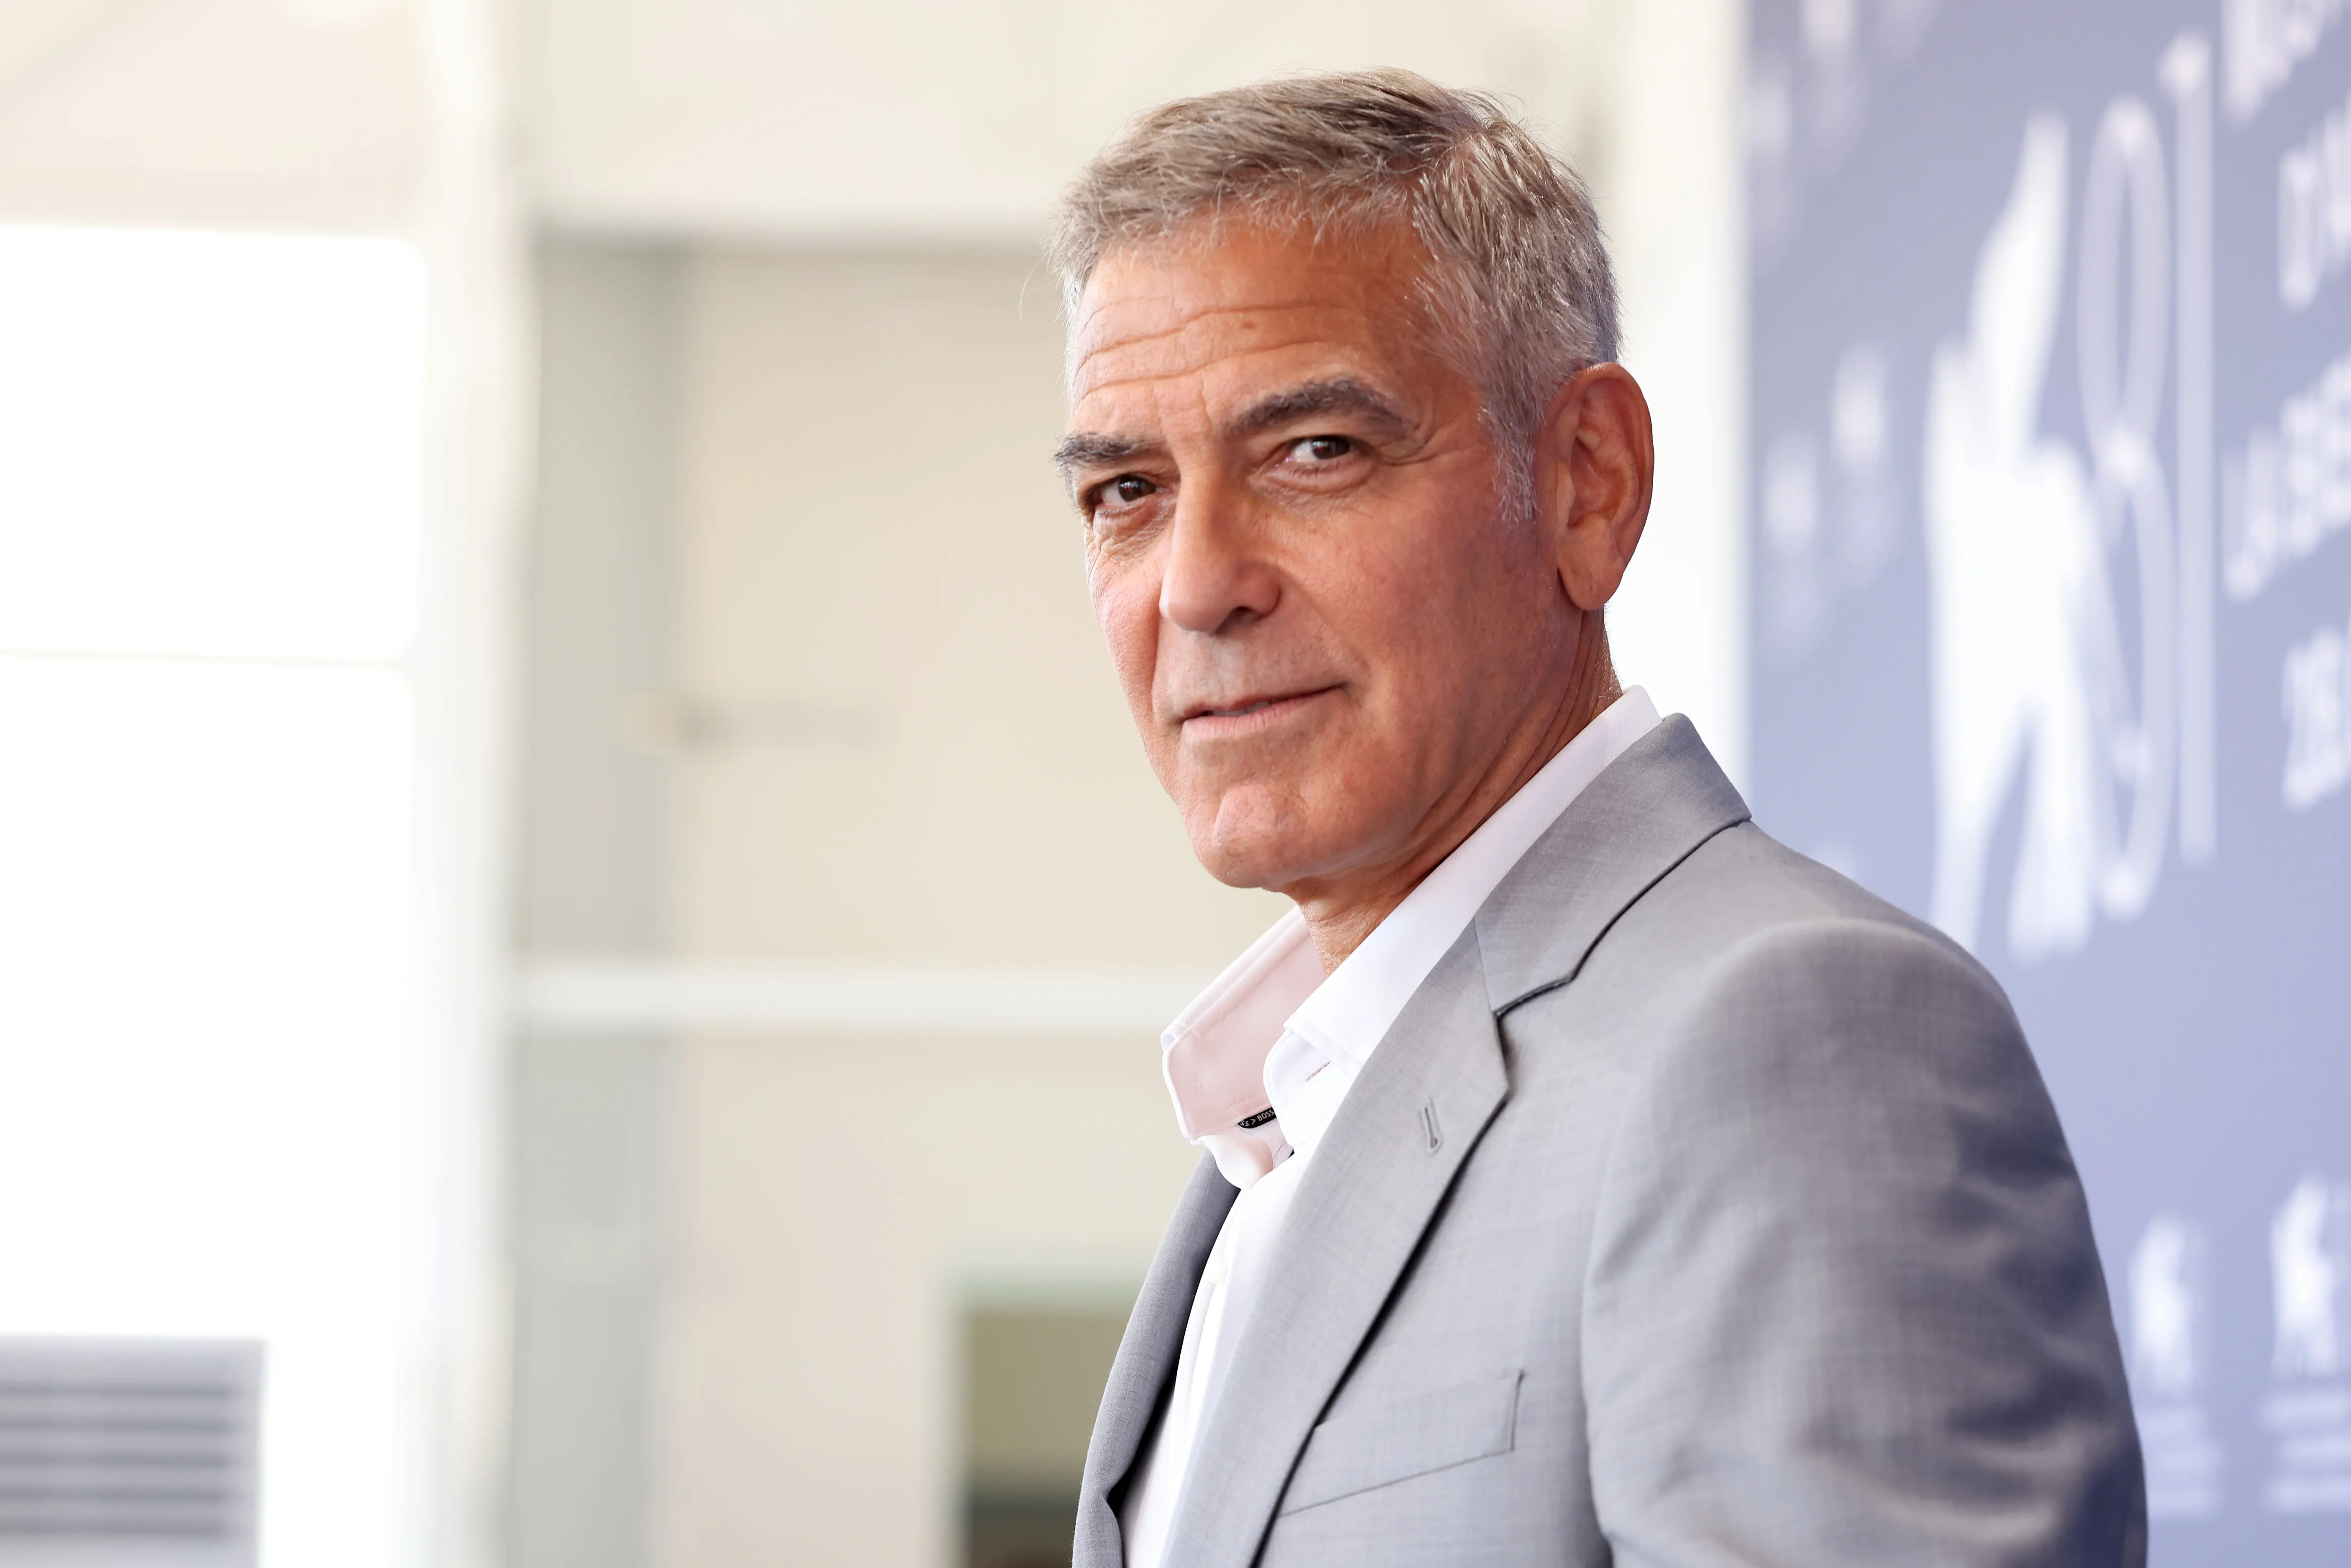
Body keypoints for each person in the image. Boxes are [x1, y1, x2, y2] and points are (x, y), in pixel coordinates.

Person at [1049, 70, 2145, 1568]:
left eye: (1316, 453)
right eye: (1126, 490)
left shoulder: (1792, 1037)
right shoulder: (1294, 1112)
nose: (1196, 583)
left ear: (1587, 483)